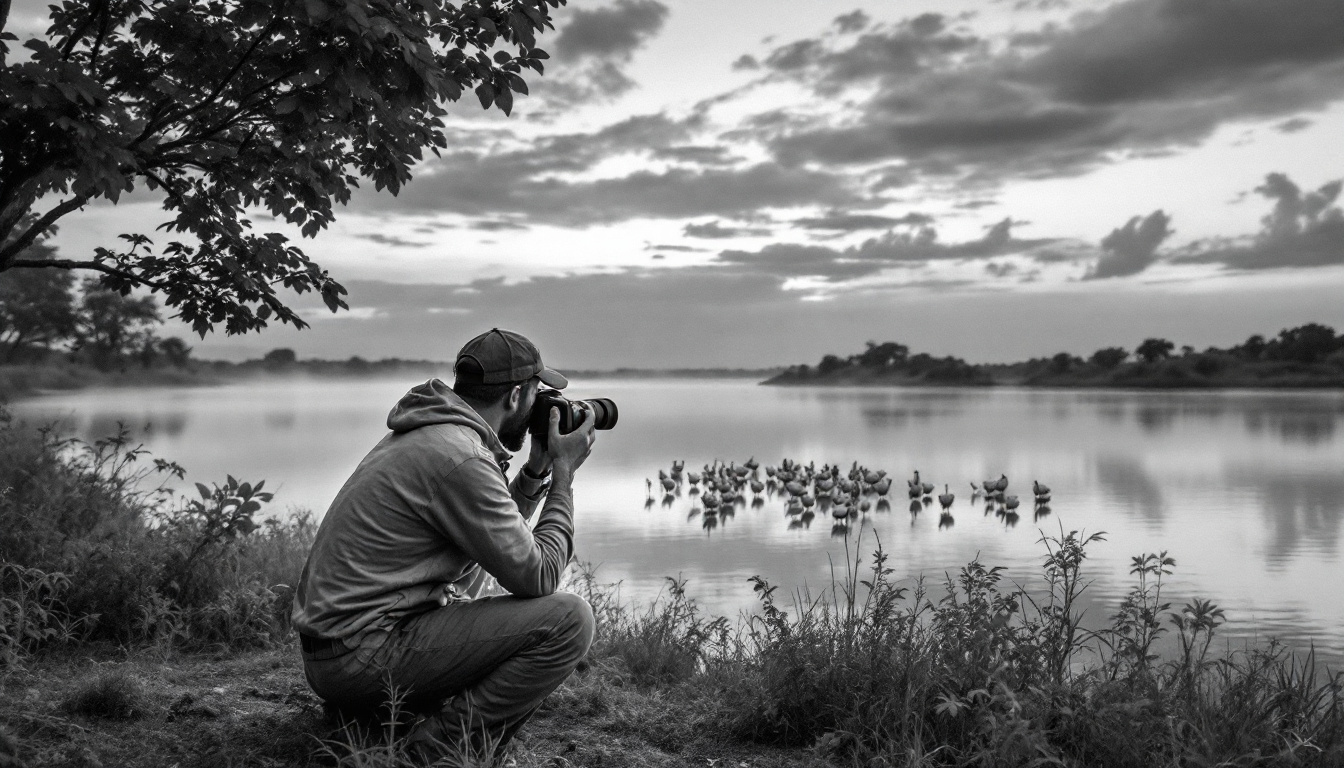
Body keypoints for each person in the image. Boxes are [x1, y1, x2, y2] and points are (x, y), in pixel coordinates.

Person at [291, 328, 597, 764]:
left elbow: (500, 540)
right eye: (536, 396)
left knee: (475, 566)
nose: (537, 410)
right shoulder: (462, 457)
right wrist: (564, 473)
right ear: (514, 397)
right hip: (360, 656)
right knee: (570, 620)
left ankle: (373, 717)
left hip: (335, 652)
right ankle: (439, 749)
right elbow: (541, 576)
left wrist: (535, 471)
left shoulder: (433, 432)